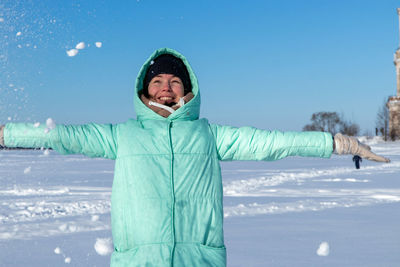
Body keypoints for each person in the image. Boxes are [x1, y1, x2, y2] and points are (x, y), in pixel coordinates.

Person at [0, 48, 390, 266]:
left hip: (198, 261)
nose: (166, 88)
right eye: (158, 81)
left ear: (187, 90)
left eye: (174, 81)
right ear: (145, 90)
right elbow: (62, 135)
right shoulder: (122, 135)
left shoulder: (209, 135)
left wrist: (341, 144)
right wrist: (5, 134)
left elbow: (271, 142)